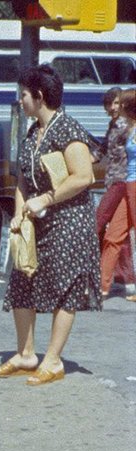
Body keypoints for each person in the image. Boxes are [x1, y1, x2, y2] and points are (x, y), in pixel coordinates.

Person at [0, 65, 101, 385]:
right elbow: (23, 181)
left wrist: (47, 199)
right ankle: (26, 353)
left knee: (64, 286)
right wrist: (19, 213)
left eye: (23, 95)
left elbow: (84, 176)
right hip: (38, 221)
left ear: (39, 97)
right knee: (22, 281)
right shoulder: (33, 132)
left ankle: (52, 361)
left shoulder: (68, 129)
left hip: (69, 221)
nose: (20, 100)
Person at [94, 87, 135, 297]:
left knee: (98, 222)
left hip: (123, 183)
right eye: (110, 104)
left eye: (118, 104)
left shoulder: (124, 126)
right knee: (118, 235)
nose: (113, 108)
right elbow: (102, 149)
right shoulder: (117, 126)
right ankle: (120, 281)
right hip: (119, 182)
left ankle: (96, 279)